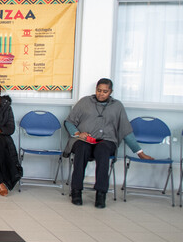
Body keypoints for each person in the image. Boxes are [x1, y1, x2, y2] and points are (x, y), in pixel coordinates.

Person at [65, 78, 153, 208]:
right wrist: (78, 134)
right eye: (99, 90)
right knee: (82, 148)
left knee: (102, 150)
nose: (101, 94)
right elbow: (69, 122)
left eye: (105, 91)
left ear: (111, 92)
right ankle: (76, 191)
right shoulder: (84, 102)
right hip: (85, 140)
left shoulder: (117, 106)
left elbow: (125, 130)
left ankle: (101, 193)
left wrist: (140, 152)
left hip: (106, 141)